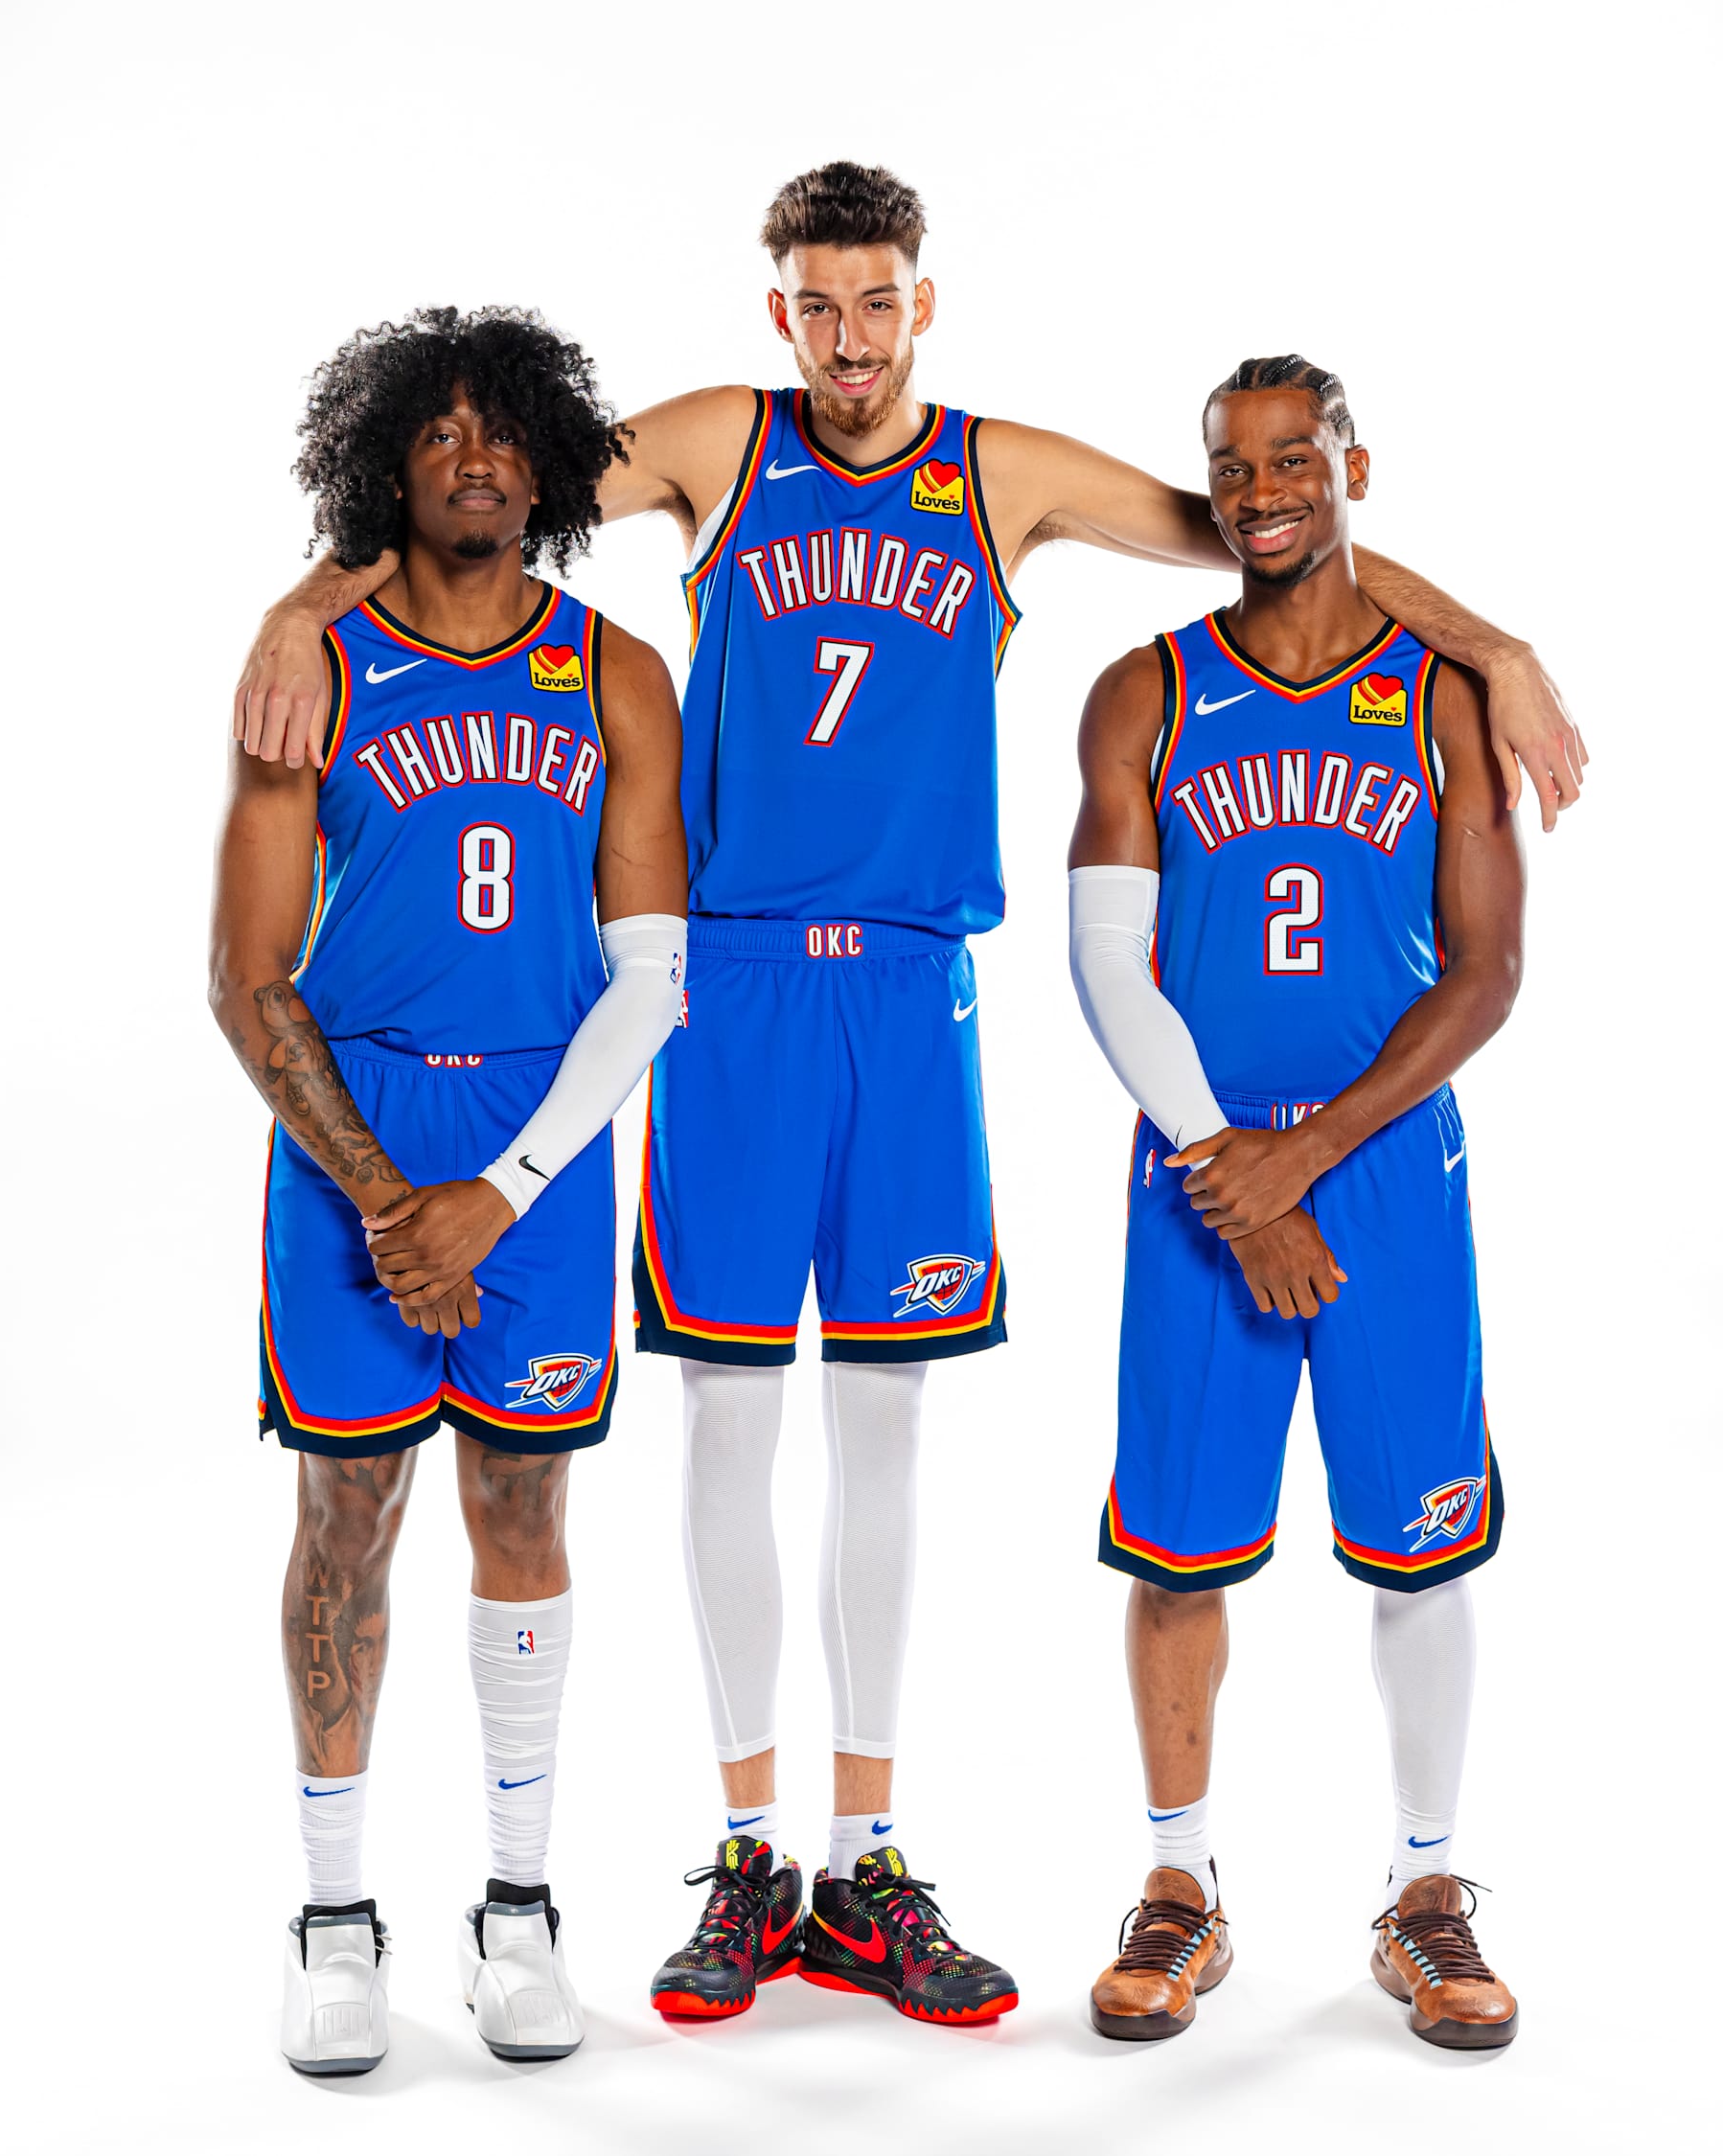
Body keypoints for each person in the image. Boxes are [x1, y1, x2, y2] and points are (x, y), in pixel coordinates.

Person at [226, 164, 1578, 2031]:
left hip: (918, 994)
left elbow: (1264, 536)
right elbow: (487, 499)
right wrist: (310, 601)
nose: (849, 339)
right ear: (777, 309)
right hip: (729, 985)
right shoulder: (723, 444)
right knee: (724, 1415)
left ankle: (865, 1857)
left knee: (883, 1426)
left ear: (924, 303)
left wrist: (1492, 645)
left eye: (879, 302)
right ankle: (746, 1849)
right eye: (817, 304)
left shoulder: (998, 473)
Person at [209, 306, 687, 2072]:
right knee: (347, 1516)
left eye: (504, 434)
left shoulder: (614, 668)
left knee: (525, 1511)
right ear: (387, 466)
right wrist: (386, 1193)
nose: (476, 458)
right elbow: (249, 972)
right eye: (440, 437)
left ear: (548, 462)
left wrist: (494, 1191)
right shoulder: (313, 669)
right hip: (357, 1134)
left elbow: (649, 973)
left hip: (544, 1140)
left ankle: (518, 1903)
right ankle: (335, 1910)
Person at [1070, 355, 1524, 2050]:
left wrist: (1305, 1158)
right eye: (1231, 463)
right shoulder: (1144, 692)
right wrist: (1232, 1170)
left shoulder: (1442, 695)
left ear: (1351, 466)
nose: (1261, 488)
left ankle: (1426, 1891)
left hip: (1385, 1164)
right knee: (1178, 1552)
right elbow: (1107, 963)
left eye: (1292, 458)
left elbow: (1485, 978)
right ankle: (1179, 1883)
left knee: (1420, 1548)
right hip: (1200, 1162)